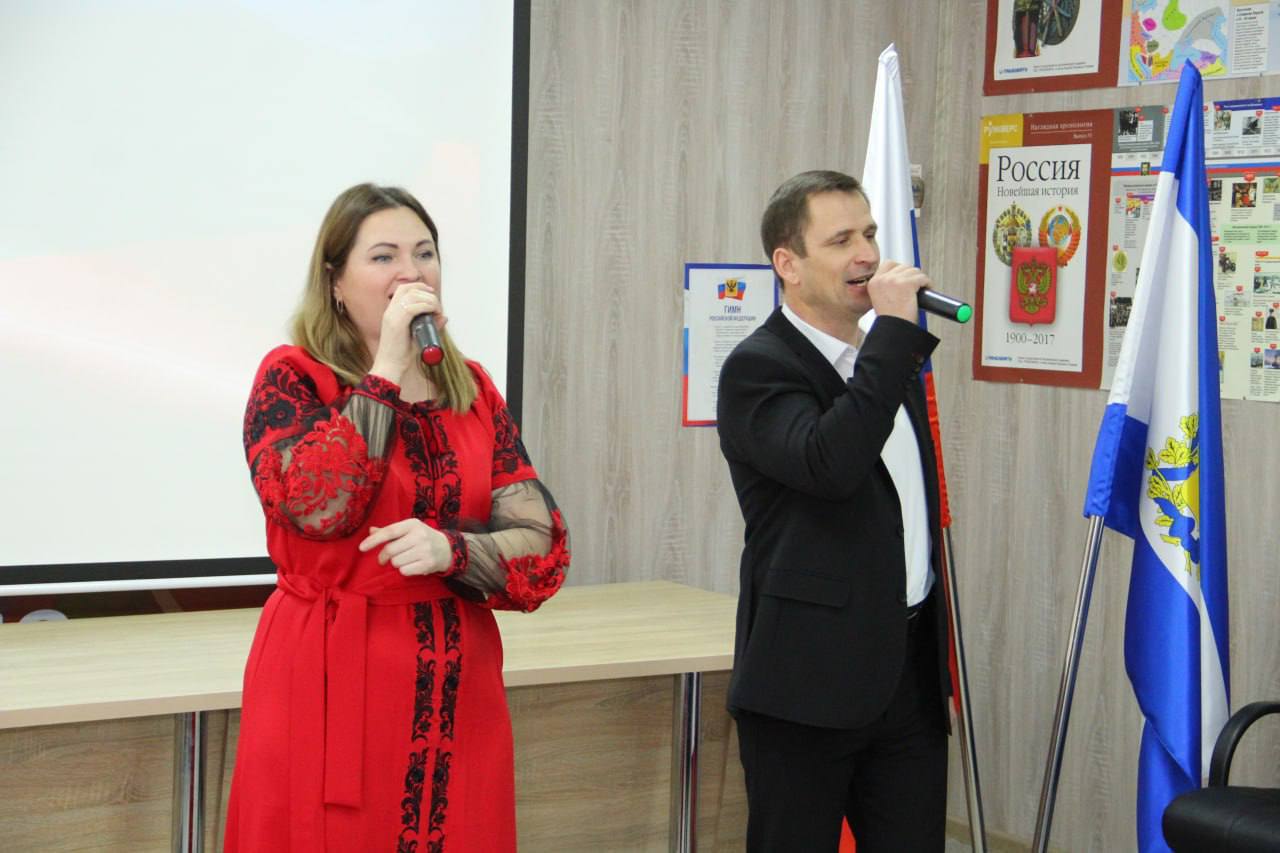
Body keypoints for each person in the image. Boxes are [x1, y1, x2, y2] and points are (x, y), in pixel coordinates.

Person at [225, 183, 570, 851]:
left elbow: (543, 549)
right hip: (329, 679)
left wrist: (453, 551)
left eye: (425, 253)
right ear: (335, 282)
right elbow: (318, 507)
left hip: (457, 687)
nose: (411, 273)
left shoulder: (471, 388)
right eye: (384, 256)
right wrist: (384, 369)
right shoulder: (293, 377)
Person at [716, 170, 951, 851]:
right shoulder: (759, 367)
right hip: (806, 685)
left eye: (870, 234)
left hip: (906, 675)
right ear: (787, 264)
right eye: (841, 240)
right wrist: (893, 337)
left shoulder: (883, 364)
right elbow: (830, 463)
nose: (867, 255)